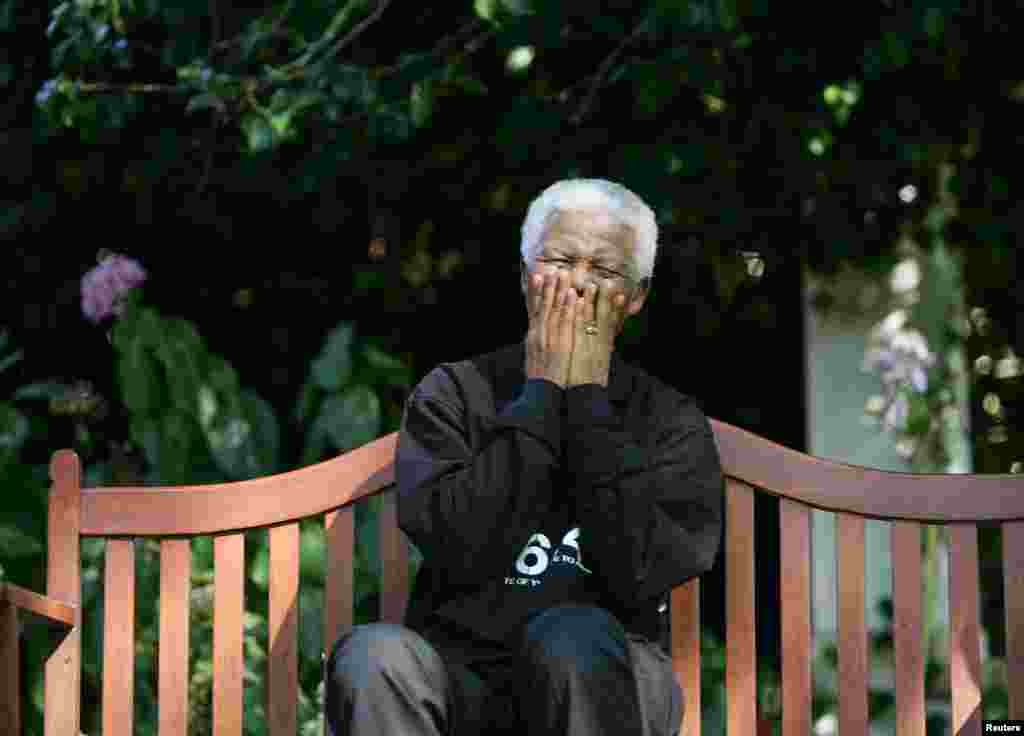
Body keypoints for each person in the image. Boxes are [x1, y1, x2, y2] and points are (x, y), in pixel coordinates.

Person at [325, 178, 725, 736]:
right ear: (524, 276)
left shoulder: (669, 420)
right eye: (560, 261)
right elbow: (457, 547)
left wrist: (585, 397)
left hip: (606, 679)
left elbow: (639, 571)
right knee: (374, 658)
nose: (579, 285)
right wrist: (541, 392)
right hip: (464, 675)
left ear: (635, 297)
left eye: (604, 271)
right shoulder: (455, 393)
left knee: (571, 639)